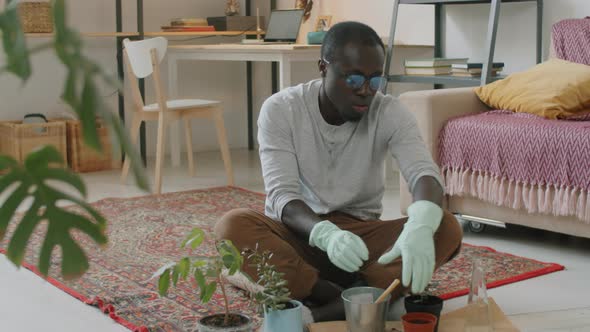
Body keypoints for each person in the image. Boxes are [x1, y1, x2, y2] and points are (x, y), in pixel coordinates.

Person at [215, 21, 463, 322]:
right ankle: (339, 297)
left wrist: (422, 221)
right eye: (354, 78)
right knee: (231, 227)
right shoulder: (281, 109)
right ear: (323, 67)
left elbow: (424, 173)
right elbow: (282, 196)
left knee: (446, 226)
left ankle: (320, 309)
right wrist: (325, 234)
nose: (365, 92)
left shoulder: (389, 111)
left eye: (375, 81)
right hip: (299, 233)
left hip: (361, 240)